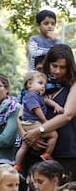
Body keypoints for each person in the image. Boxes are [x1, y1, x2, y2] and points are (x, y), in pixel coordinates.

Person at [20, 44, 76, 179]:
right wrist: (28, 137)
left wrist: (38, 131)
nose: (57, 71)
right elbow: (21, 114)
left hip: (65, 152)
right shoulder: (39, 82)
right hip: (36, 150)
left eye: (62, 67)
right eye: (54, 66)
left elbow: (67, 115)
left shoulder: (73, 84)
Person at [15, 71, 59, 170]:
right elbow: (36, 109)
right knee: (54, 135)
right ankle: (47, 154)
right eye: (40, 83)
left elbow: (46, 100)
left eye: (44, 84)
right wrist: (45, 121)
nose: (43, 86)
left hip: (28, 124)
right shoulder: (31, 95)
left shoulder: (36, 95)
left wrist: (56, 105)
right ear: (29, 84)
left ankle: (17, 165)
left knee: (24, 147)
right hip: (32, 123)